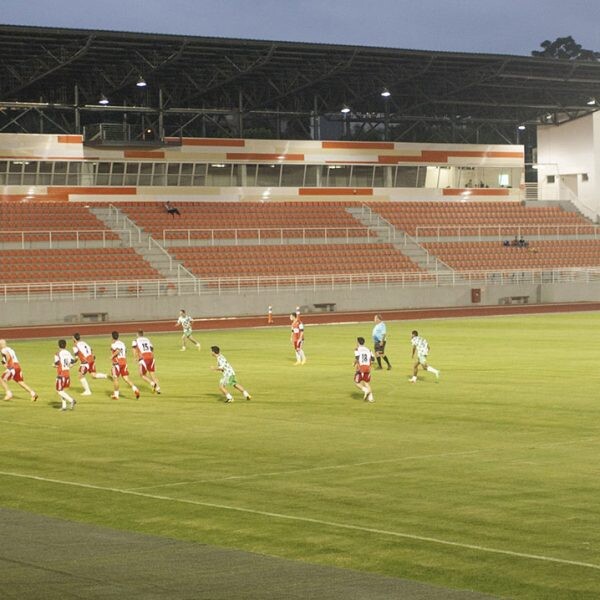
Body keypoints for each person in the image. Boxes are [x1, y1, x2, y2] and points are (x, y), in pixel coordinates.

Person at [110, 331, 140, 400]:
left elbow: (117, 350)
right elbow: (125, 351)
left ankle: (116, 395)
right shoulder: (122, 343)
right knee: (126, 379)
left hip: (117, 363)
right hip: (124, 362)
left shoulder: (113, 344)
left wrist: (112, 356)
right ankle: (135, 389)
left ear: (112, 337)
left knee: (115, 378)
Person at [132, 330, 161, 394]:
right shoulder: (147, 339)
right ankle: (158, 389)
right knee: (152, 374)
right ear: (142, 334)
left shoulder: (135, 341)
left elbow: (134, 349)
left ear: (137, 334)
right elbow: (151, 348)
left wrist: (135, 358)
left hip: (143, 358)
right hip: (151, 357)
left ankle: (152, 383)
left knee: (142, 375)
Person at [54, 339, 77, 411]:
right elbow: (73, 361)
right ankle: (64, 406)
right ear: (65, 345)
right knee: (62, 390)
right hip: (67, 374)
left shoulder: (57, 354)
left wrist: (54, 365)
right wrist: (70, 366)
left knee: (59, 391)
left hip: (61, 374)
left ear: (58, 345)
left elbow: (57, 363)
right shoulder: (68, 353)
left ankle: (71, 400)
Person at [354, 336, 374, 403]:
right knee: (366, 382)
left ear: (358, 342)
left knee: (357, 382)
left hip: (361, 368)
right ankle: (371, 398)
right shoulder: (368, 349)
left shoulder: (357, 349)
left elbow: (357, 358)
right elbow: (373, 359)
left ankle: (366, 390)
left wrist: (354, 363)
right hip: (368, 368)